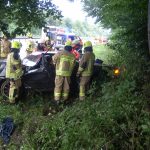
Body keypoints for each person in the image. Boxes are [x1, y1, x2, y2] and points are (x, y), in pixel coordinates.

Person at [52, 40, 76, 105]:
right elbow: (74, 65)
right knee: (66, 87)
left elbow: (54, 59)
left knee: (58, 86)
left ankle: (57, 100)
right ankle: (65, 100)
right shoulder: (73, 56)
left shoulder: (60, 53)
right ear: (71, 48)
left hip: (59, 74)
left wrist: (55, 63)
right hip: (68, 74)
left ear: (65, 47)